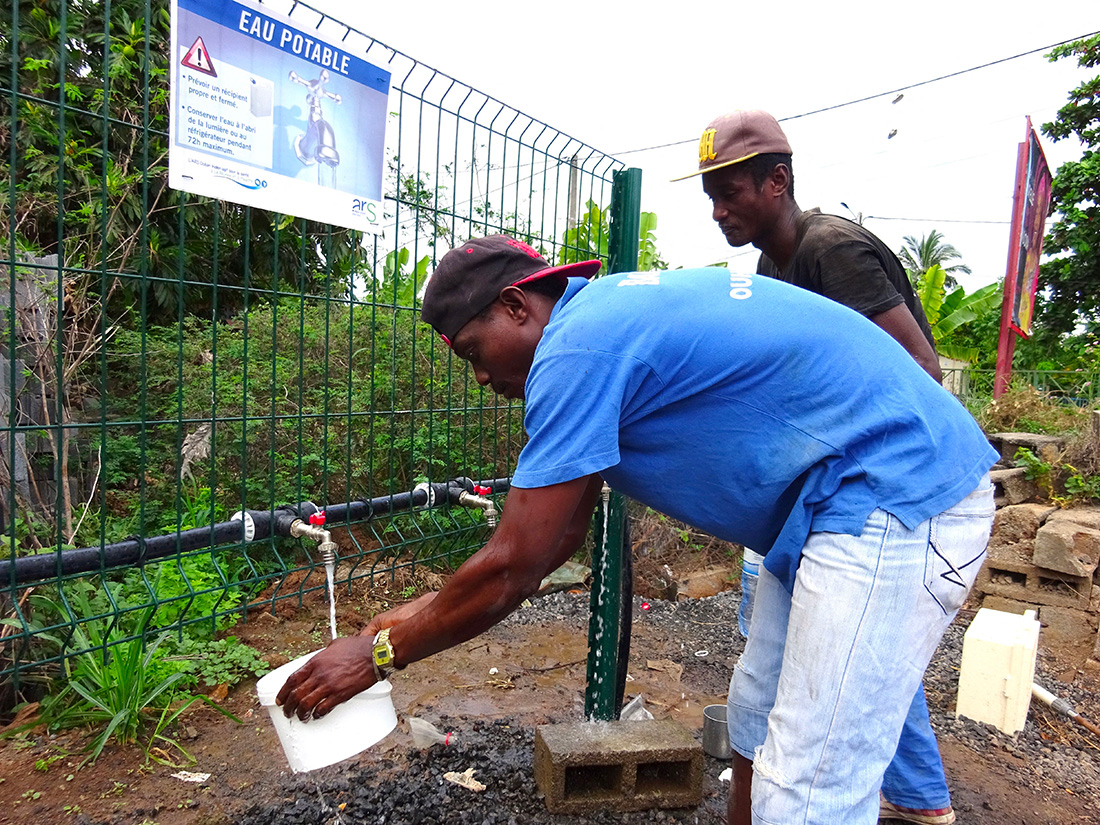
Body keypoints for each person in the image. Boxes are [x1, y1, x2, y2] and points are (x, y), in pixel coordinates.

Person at [277, 234, 996, 825]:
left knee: (808, 788)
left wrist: (374, 654)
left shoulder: (577, 350)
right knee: (755, 715)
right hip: (831, 503)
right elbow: (553, 540)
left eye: (472, 350)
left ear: (515, 305)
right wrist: (387, 626)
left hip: (895, 494)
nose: (479, 378)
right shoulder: (601, 326)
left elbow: (514, 565)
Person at [677, 109, 956, 824]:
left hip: (884, 490)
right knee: (859, 652)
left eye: (731, 191)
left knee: (846, 659)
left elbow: (919, 370)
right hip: (829, 492)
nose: (718, 210)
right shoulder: (776, 267)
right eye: (710, 196)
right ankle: (921, 798)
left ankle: (919, 800)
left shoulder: (832, 251)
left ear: (779, 180)